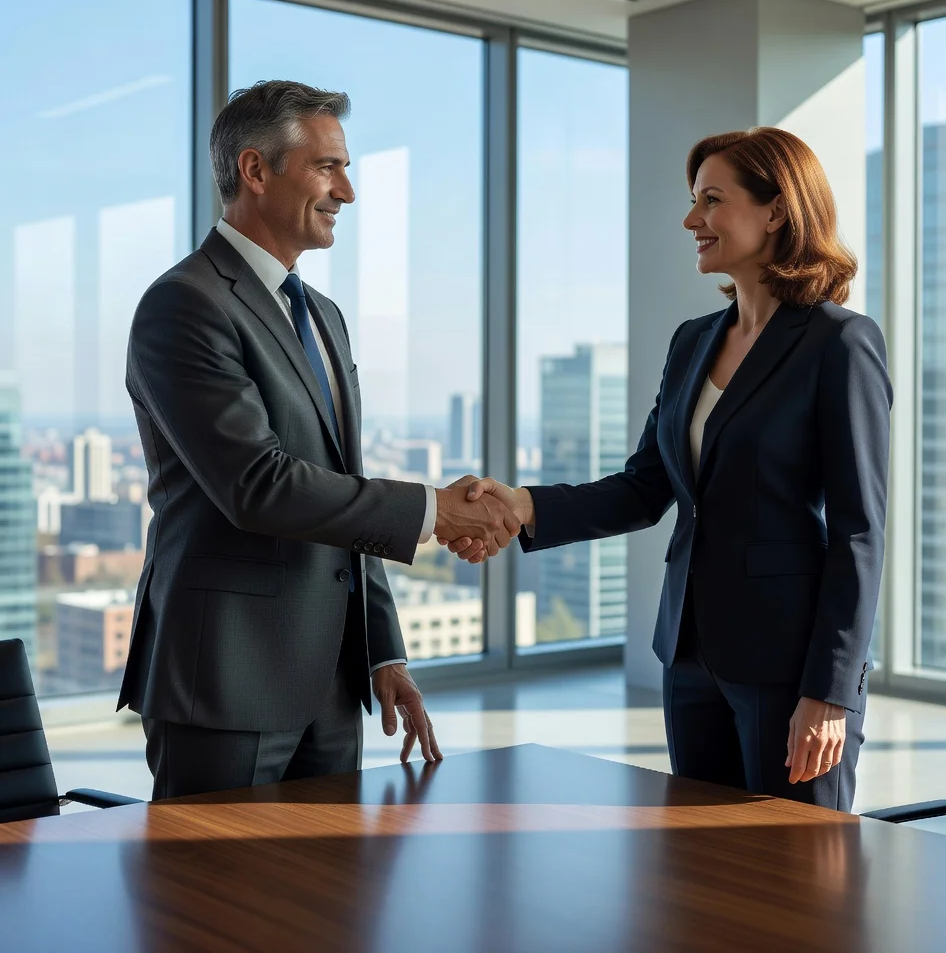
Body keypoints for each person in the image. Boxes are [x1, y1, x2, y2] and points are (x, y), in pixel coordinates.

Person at [441, 127, 892, 812]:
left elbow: (860, 531)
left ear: (776, 211)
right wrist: (523, 504)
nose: (691, 220)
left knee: (797, 884)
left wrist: (830, 691)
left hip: (789, 664)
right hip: (690, 655)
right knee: (697, 875)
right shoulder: (693, 342)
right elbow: (646, 486)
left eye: (712, 200)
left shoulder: (839, 343)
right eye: (692, 200)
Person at [117, 80, 519, 799]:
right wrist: (436, 510)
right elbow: (257, 486)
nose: (348, 193)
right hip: (227, 682)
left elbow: (342, 484)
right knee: (211, 902)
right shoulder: (184, 304)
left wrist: (382, 653)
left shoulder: (323, 316)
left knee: (328, 906)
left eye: (348, 169)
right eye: (328, 168)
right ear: (255, 169)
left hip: (332, 684)